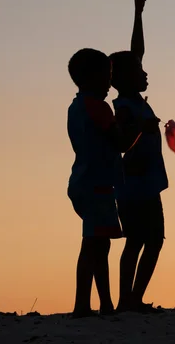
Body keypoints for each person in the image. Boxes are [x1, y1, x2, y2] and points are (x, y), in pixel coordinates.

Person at [109, 0, 168, 314]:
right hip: (134, 188)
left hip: (146, 185)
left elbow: (137, 51)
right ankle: (126, 300)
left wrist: (138, 13)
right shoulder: (125, 106)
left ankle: (133, 299)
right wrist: (142, 130)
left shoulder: (134, 101)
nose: (144, 72)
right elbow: (122, 142)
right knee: (136, 242)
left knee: (152, 241)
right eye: (137, 71)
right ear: (122, 79)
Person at [66, 48, 127, 318]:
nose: (109, 83)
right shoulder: (99, 108)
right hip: (97, 184)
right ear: (91, 77)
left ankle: (105, 304)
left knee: (100, 244)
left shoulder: (75, 107)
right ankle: (82, 305)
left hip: (82, 181)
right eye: (107, 76)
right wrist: (138, 128)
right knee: (93, 245)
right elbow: (120, 143)